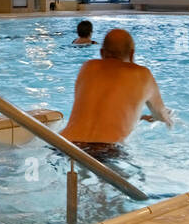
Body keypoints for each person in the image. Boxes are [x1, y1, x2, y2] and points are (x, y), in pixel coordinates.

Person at [61, 28, 172, 158]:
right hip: (106, 149)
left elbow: (94, 111)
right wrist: (168, 118)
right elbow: (160, 115)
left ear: (102, 53)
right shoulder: (142, 74)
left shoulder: (88, 67)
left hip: (65, 144)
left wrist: (140, 117)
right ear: (132, 54)